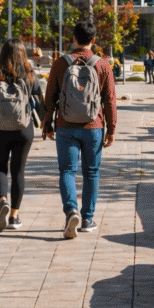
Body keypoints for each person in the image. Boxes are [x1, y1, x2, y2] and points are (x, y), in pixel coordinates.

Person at [43, 19, 117, 238]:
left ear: (73, 39)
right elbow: (110, 100)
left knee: (67, 170)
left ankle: (71, 211)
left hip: (65, 125)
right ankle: (87, 219)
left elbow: (50, 97)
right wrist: (111, 130)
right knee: (91, 172)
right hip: (93, 126)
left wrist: (48, 123)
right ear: (93, 41)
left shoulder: (61, 63)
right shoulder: (102, 65)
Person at [0, 38, 45, 232]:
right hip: (23, 129)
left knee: (0, 168)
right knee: (18, 171)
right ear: (22, 54)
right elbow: (39, 101)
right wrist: (46, 124)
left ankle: (2, 201)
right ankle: (14, 217)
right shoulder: (29, 74)